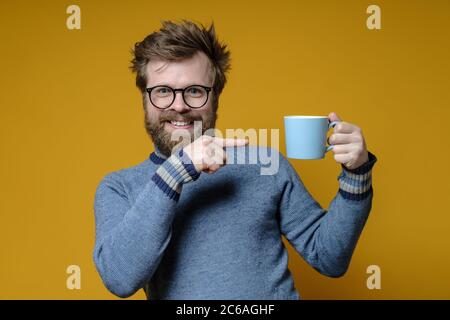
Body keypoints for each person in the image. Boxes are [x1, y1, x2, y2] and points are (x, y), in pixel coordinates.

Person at [93, 20, 377, 299]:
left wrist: (357, 175)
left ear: (215, 96)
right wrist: (176, 171)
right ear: (144, 97)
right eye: (163, 91)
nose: (178, 106)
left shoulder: (265, 164)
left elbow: (329, 258)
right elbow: (120, 279)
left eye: (194, 91)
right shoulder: (119, 187)